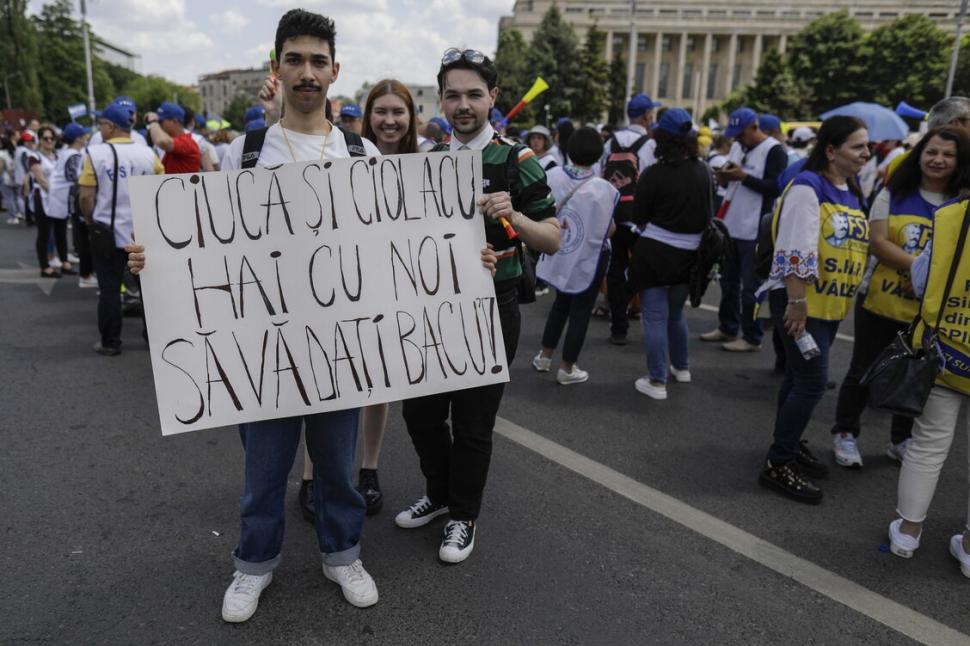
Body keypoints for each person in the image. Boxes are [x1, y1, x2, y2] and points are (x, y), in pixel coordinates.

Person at [395, 48, 559, 564]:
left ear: (493, 98)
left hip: (492, 306)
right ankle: (440, 493)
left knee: (471, 422)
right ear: (440, 99)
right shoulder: (429, 160)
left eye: (473, 94)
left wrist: (515, 221)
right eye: (452, 95)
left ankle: (463, 515)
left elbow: (552, 237)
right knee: (420, 414)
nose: (462, 104)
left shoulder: (518, 160)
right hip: (431, 308)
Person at [831, 128, 969, 468]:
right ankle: (846, 432)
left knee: (917, 372)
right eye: (931, 151)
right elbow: (878, 242)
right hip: (880, 299)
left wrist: (926, 281)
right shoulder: (893, 193)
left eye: (947, 155)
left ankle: (900, 439)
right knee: (863, 367)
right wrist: (920, 272)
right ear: (919, 154)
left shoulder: (962, 203)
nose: (937, 160)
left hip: (930, 310)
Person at [757, 116, 870, 504]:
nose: (867, 154)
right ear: (830, 150)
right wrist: (797, 303)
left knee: (797, 379)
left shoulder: (851, 188)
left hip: (831, 304)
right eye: (858, 147)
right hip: (802, 302)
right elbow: (794, 251)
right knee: (811, 382)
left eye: (866, 146)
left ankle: (787, 442)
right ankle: (779, 461)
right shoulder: (807, 187)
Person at [888, 182, 970, 575]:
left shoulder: (950, 215)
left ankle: (908, 532)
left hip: (945, 351)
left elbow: (921, 283)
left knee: (928, 445)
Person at [627, 108, 713, 400]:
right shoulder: (704, 170)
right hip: (690, 257)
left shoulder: (654, 174)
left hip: (654, 254)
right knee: (676, 314)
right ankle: (682, 367)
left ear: (661, 137)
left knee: (653, 316)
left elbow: (638, 216)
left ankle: (657, 380)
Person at [533, 126, 618, 384]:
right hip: (590, 256)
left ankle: (545, 356)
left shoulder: (553, 175)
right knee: (581, 310)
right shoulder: (604, 188)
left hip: (558, 247)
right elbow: (610, 229)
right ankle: (567, 368)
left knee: (561, 303)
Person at [79, 104, 163, 355]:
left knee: (109, 290)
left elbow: (85, 197)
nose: (100, 128)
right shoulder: (149, 154)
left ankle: (110, 341)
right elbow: (161, 189)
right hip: (142, 235)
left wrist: (90, 219)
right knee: (149, 291)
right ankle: (155, 339)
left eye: (102, 124)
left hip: (107, 234)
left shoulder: (94, 154)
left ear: (111, 126)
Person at [702, 107, 786, 352]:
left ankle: (752, 336)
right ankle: (727, 327)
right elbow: (732, 174)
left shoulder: (774, 150)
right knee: (729, 283)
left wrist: (743, 177)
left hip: (754, 229)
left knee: (751, 288)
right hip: (732, 225)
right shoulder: (739, 147)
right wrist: (724, 176)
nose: (737, 139)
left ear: (754, 127)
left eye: (741, 133)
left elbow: (775, 188)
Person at [601, 93, 661, 345]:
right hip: (640, 220)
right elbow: (655, 183)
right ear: (647, 115)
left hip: (613, 218)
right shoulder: (650, 145)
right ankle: (639, 309)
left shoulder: (609, 143)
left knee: (614, 270)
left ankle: (618, 328)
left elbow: (599, 178)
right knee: (645, 269)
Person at [48, 123, 93, 286]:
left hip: (59, 195)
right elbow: (74, 176)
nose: (86, 137)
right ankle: (78, 270)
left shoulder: (68, 152)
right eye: (84, 135)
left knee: (61, 232)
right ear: (79, 138)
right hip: (63, 196)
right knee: (65, 233)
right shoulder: (74, 154)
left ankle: (65, 260)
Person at [29, 125, 68, 278]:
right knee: (44, 233)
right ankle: (45, 267)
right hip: (43, 197)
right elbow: (40, 178)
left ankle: (65, 262)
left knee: (61, 231)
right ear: (40, 139)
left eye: (52, 138)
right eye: (46, 138)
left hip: (58, 198)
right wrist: (55, 192)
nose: (49, 141)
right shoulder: (35, 156)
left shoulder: (59, 156)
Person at [146, 103, 201, 174]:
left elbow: (161, 141)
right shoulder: (175, 141)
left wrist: (153, 121)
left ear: (175, 122)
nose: (158, 125)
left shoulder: (187, 142)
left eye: (160, 122)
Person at [14, 131, 35, 225]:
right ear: (23, 141)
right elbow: (25, 164)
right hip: (26, 177)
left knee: (25, 197)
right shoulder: (24, 151)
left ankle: (28, 217)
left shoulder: (18, 149)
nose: (30, 143)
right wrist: (28, 173)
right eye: (28, 141)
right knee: (28, 197)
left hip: (20, 176)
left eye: (31, 141)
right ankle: (29, 218)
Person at [0, 134, 18, 224]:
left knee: (8, 197)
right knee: (15, 197)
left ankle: (13, 216)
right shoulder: (14, 152)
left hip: (5, 177)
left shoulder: (2, 153)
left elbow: (0, 167)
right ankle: (18, 213)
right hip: (15, 176)